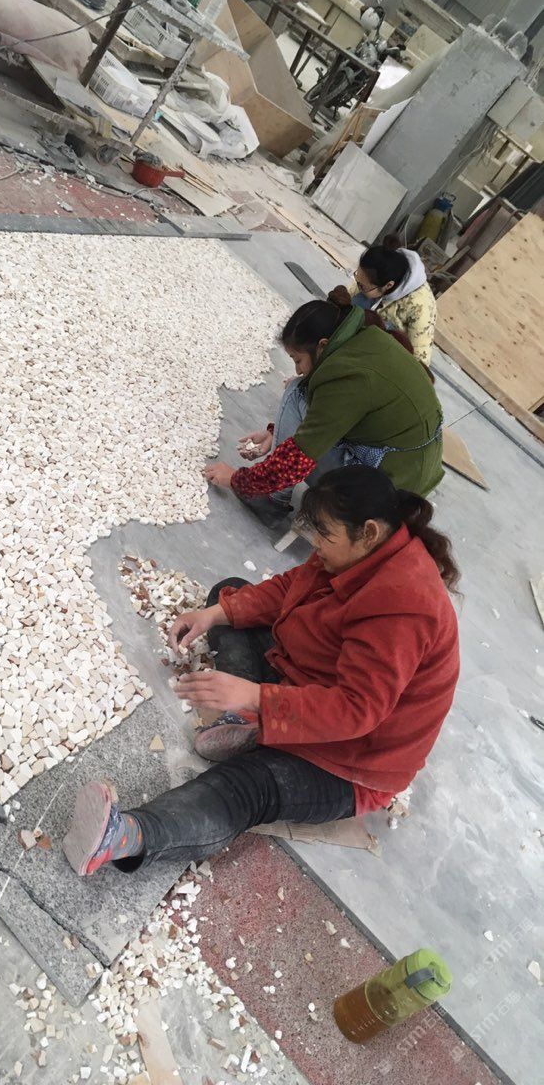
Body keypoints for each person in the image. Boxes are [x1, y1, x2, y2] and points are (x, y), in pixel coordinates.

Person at [62, 466, 460, 877]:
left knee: (249, 789)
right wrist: (214, 615)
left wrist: (254, 696)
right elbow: (291, 588)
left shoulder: (404, 608)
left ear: (369, 532)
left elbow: (356, 711)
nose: (315, 543)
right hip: (308, 682)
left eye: (324, 535)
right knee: (231, 594)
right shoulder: (359, 552)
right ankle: (251, 723)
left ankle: (124, 836)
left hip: (350, 756)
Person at [205, 295, 444, 513]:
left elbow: (297, 458)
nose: (298, 369)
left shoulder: (347, 377)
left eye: (298, 359)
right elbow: (334, 416)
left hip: (382, 495)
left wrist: (237, 479)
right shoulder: (367, 339)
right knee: (303, 387)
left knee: (296, 390)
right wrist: (277, 432)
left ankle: (271, 497)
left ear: (322, 344)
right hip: (407, 478)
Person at [351, 237, 438, 365]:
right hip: (369, 335)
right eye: (357, 278)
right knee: (358, 301)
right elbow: (350, 297)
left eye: (362, 286)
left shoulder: (421, 307)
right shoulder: (377, 271)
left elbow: (420, 362)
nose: (358, 286)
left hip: (387, 354)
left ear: (388, 285)